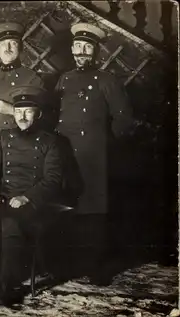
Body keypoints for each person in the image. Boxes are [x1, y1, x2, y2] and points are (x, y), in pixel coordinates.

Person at [54, 22, 135, 284]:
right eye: (78, 47)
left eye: (87, 48)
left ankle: (97, 268)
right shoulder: (64, 79)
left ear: (95, 52)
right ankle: (70, 266)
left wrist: (105, 146)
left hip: (94, 158)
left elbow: (124, 119)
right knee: (68, 208)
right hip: (66, 154)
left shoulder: (107, 80)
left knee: (94, 213)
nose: (81, 52)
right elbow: (56, 113)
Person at [0, 86, 63, 306]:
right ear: (13, 114)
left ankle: (10, 284)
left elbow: (53, 178)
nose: (23, 117)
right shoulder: (4, 136)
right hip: (4, 196)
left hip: (33, 201)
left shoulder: (49, 141)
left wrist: (28, 197)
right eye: (18, 111)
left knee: (10, 225)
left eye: (28, 111)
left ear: (38, 114)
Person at [0, 22, 45, 156]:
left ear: (20, 48)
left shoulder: (31, 78)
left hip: (13, 148)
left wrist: (12, 110)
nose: (8, 48)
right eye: (4, 44)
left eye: (13, 43)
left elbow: (43, 117)